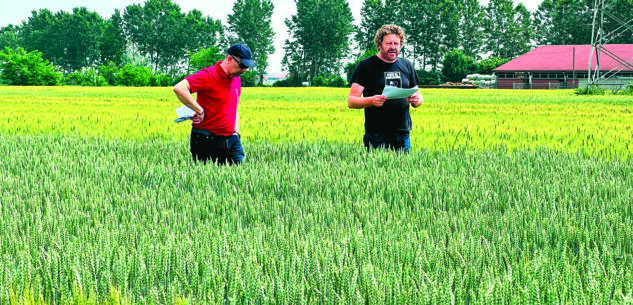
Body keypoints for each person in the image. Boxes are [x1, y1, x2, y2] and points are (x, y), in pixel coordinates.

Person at [173, 43, 254, 165]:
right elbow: (179, 88)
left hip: (232, 140)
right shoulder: (208, 75)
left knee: (244, 175)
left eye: (247, 66)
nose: (244, 70)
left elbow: (234, 107)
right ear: (230, 58)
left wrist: (235, 132)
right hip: (206, 140)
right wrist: (199, 110)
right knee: (208, 181)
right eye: (242, 65)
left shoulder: (236, 78)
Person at [348, 24, 423, 152]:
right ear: (379, 44)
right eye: (388, 43)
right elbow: (352, 101)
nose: (393, 47)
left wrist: (417, 100)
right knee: (376, 171)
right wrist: (371, 101)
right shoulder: (366, 66)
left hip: (403, 134)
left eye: (396, 43)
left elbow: (419, 96)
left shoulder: (407, 65)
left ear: (400, 45)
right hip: (377, 135)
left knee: (405, 171)